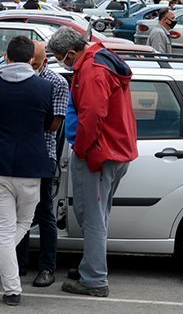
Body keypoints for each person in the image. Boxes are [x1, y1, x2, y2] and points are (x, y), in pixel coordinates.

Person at [48, 27, 138, 298]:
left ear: (72, 53)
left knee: (92, 218)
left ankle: (95, 279)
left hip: (100, 154)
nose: (61, 62)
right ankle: (90, 268)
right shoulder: (101, 59)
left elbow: (92, 116)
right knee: (96, 215)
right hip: (114, 151)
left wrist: (83, 150)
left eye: (61, 57)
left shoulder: (92, 70)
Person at [0, 36, 54, 306]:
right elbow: (45, 123)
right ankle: (6, 283)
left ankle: (2, 277)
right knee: (23, 223)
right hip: (31, 167)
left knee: (6, 228)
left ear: (6, 57)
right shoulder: (43, 88)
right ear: (32, 60)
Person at [15, 41, 69, 287]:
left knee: (44, 212)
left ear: (44, 62)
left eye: (34, 64)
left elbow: (55, 125)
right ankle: (18, 262)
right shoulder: (18, 78)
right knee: (19, 212)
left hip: (43, 154)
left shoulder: (56, 84)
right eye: (28, 63)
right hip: (19, 153)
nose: (30, 67)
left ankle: (47, 267)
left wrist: (23, 121)